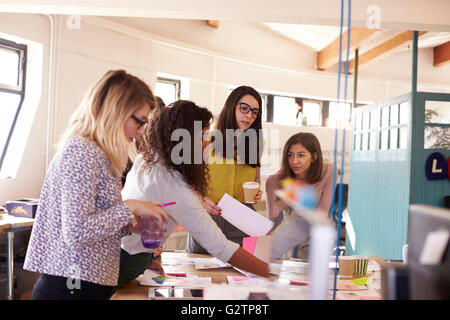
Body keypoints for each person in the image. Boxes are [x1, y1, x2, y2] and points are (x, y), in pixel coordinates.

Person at [23, 70, 169, 300]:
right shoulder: (81, 151)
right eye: (139, 121)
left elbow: (95, 222)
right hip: (70, 285)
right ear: (115, 112)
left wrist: (131, 227)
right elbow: (77, 232)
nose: (141, 131)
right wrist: (130, 207)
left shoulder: (99, 155)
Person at [115, 100, 269, 291]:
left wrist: (146, 258)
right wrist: (269, 272)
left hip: (127, 254)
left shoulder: (149, 159)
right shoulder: (173, 184)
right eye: (203, 135)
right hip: (124, 260)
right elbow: (220, 247)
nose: (208, 142)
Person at [186, 86, 264, 253]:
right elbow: (188, 182)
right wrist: (200, 198)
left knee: (240, 275)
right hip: (208, 219)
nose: (249, 115)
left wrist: (257, 192)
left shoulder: (256, 144)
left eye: (255, 112)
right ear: (231, 107)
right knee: (200, 273)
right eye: (244, 108)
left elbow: (256, 178)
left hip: (242, 220)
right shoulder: (207, 140)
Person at [265, 132, 334, 259]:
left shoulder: (328, 170)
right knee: (266, 251)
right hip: (297, 220)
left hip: (319, 220)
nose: (294, 161)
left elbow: (321, 214)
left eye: (301, 155)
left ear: (314, 156)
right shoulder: (275, 181)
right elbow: (271, 221)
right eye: (290, 155)